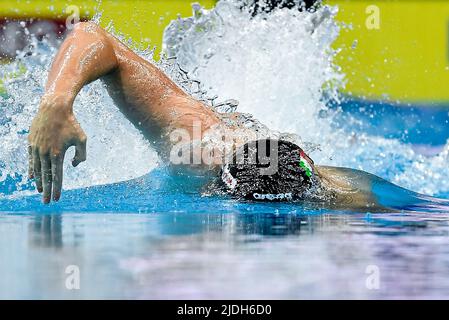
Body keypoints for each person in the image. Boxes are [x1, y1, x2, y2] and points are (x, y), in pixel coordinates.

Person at [27, 22, 405, 211]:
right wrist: (56, 103)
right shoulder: (198, 147)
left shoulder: (335, 194)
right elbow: (92, 36)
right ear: (219, 190)